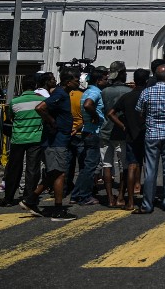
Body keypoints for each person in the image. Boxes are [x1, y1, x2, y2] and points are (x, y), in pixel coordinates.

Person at [135, 64, 165, 214]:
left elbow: (140, 112)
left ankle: (147, 204)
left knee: (150, 170)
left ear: (155, 77)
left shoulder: (147, 92)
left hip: (152, 134)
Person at [33, 71, 78, 221]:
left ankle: (31, 199)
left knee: (54, 172)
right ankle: (58, 210)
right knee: (59, 173)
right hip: (56, 141)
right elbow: (40, 108)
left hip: (59, 140)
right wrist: (52, 121)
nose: (78, 83)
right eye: (75, 80)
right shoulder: (60, 94)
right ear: (68, 82)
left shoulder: (61, 93)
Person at [108, 68, 151, 211]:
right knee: (148, 165)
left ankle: (130, 201)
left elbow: (111, 113)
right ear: (146, 81)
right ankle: (146, 197)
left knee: (131, 166)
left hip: (130, 134)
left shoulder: (127, 96)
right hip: (147, 134)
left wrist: (123, 126)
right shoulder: (147, 96)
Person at [0, 76, 45, 209]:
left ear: (22, 87)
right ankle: (29, 197)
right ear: (35, 86)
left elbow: (11, 118)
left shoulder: (15, 102)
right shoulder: (42, 100)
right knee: (32, 168)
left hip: (18, 138)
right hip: (35, 138)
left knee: (14, 168)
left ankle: (8, 198)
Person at [70, 70, 108, 205]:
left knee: (87, 165)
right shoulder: (95, 92)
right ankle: (85, 196)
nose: (107, 81)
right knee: (90, 166)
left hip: (87, 130)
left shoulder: (87, 91)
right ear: (98, 81)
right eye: (105, 79)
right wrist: (96, 117)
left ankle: (76, 195)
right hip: (93, 132)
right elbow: (88, 105)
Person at [99, 62, 131, 208]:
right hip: (121, 131)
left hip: (105, 130)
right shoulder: (128, 91)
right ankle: (120, 196)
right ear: (122, 74)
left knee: (106, 164)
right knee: (123, 165)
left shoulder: (104, 91)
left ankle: (110, 198)